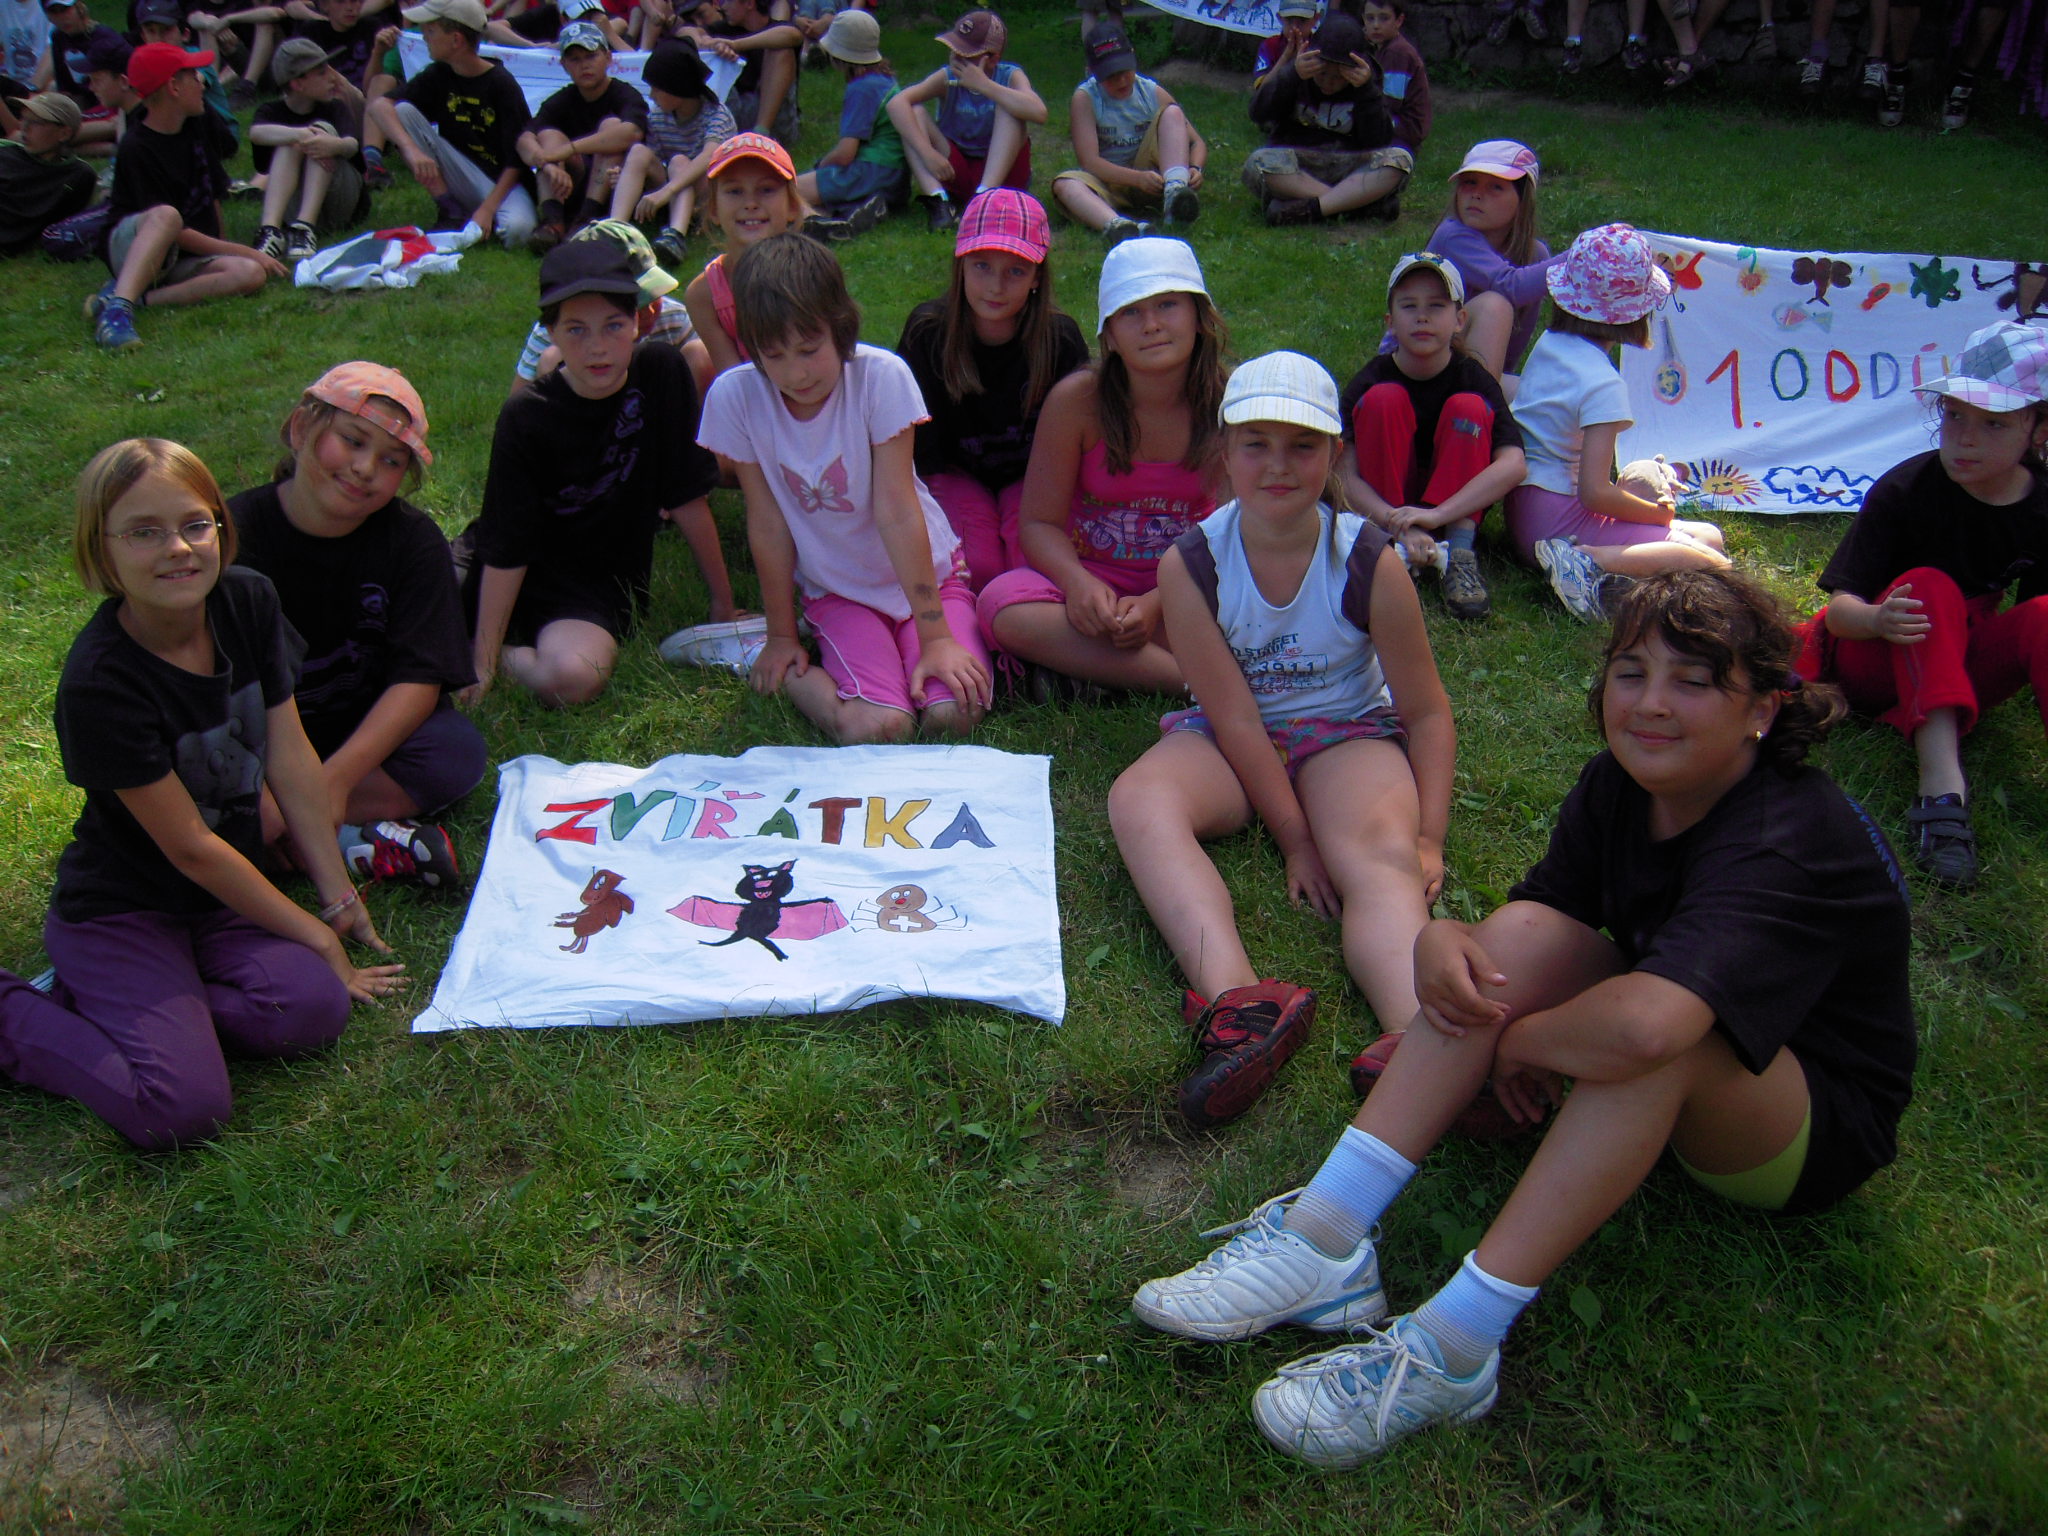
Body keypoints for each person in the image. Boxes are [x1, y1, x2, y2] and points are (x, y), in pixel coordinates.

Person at [1132, 568, 1915, 1467]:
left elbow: (1650, 1030)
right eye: (1631, 674)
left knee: (1657, 1045)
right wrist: (1442, 941)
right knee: (1514, 945)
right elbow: (1540, 922)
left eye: (1694, 682)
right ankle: (1325, 1238)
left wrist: (1525, 1041)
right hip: (1685, 1014)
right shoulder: (1620, 783)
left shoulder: (1785, 835)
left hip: (1807, 1121)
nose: (1652, 704)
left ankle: (1456, 1349)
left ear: (1763, 711)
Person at [0, 439, 407, 1150]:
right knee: (181, 1108)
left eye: (195, 524)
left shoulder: (246, 600)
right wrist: (316, 934)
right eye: (143, 532)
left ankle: (133, 1004)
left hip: (218, 905)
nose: (177, 548)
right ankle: (18, 1011)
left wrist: (337, 896)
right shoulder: (100, 684)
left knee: (311, 1010)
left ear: (220, 526)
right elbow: (190, 847)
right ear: (101, 551)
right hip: (123, 911)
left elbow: (291, 755)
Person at [1109, 351, 1455, 1130]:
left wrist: (1429, 835)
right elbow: (1233, 718)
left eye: (1302, 446)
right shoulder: (1191, 565)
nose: (1277, 465)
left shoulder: (1367, 559)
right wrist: (1295, 839)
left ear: (1334, 455)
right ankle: (1241, 1007)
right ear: (1224, 452)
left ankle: (1419, 1037)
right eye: (1256, 444)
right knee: (1139, 799)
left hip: (1345, 730)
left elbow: (1427, 713)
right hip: (1229, 737)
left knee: (1378, 856)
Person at [698, 232, 995, 742]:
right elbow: (766, 522)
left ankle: (922, 642)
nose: (796, 373)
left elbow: (897, 509)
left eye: (809, 349)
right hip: (838, 590)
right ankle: (764, 658)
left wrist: (935, 636)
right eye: (774, 355)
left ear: (840, 327)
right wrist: (781, 637)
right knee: (880, 725)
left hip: (928, 575)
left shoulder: (881, 378)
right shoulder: (736, 396)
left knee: (954, 712)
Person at [1791, 321, 2048, 890]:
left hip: (1959, 664)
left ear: (2039, 428)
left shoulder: (2041, 504)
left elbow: (2032, 621)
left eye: (1994, 423)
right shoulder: (1906, 489)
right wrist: (1879, 619)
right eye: (1954, 415)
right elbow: (1840, 613)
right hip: (1875, 658)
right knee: (1930, 587)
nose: (1965, 438)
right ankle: (1941, 794)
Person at [228, 363, 482, 895]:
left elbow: (420, 680)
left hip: (357, 738)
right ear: (302, 428)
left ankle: (298, 832)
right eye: (352, 440)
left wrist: (334, 782)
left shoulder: (413, 542)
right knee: (206, 785)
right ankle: (344, 839)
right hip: (260, 742)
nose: (366, 468)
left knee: (455, 752)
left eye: (391, 461)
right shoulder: (232, 539)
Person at [465, 240, 725, 706]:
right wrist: (481, 666)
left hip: (593, 584)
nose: (598, 347)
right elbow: (507, 543)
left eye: (613, 325)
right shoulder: (526, 414)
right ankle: (468, 647)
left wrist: (721, 601)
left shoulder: (660, 372)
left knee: (575, 677)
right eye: (576, 330)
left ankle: (476, 651)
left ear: (638, 322)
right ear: (551, 333)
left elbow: (685, 492)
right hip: (509, 564)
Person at [975, 236, 1227, 695]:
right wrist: (1078, 585)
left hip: (1191, 582)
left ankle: (1097, 669)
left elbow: (1236, 536)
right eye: (1130, 312)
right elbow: (1039, 523)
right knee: (1001, 606)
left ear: (1199, 315)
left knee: (1253, 613)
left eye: (1167, 305)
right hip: (1096, 579)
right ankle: (1191, 682)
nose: (1151, 325)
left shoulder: (1230, 403)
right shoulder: (1076, 401)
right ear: (1108, 334)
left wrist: (1157, 602)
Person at [1504, 223, 1728, 622]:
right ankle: (1588, 561)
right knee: (1712, 562)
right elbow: (1594, 493)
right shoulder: (1603, 383)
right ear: (1638, 311)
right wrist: (1657, 516)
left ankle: (1600, 565)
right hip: (1558, 524)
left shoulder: (1551, 344)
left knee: (1710, 535)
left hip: (1523, 510)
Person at [895, 188, 1089, 591]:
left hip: (1034, 476)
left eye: (1015, 271)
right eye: (982, 266)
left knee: (1032, 567)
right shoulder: (928, 334)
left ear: (1037, 277)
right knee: (976, 566)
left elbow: (1076, 438)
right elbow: (917, 440)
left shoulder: (1060, 340)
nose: (996, 286)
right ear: (961, 265)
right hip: (954, 471)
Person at [1341, 253, 1525, 622]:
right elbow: (1342, 474)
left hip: (1453, 510)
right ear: (1390, 322)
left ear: (1460, 320)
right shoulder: (1370, 380)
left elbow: (1514, 465)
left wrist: (1437, 514)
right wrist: (1396, 521)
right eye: (1409, 306)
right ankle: (1388, 547)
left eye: (1436, 306)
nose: (1422, 317)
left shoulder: (1473, 378)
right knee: (1382, 400)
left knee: (1469, 407)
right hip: (1388, 510)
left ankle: (1459, 552)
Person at [85, 40, 287, 352]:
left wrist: (231, 254)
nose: (202, 82)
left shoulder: (195, 125)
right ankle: (117, 315)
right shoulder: (137, 147)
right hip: (135, 246)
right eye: (193, 76)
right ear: (173, 87)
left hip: (179, 255)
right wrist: (246, 250)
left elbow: (212, 193)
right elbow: (174, 231)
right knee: (167, 216)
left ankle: (134, 298)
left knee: (249, 274)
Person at [370, 0, 538, 249]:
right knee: (403, 110)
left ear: (456, 40)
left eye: (431, 31)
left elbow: (517, 160)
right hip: (458, 170)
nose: (424, 37)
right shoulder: (438, 74)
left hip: (501, 181)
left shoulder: (501, 83)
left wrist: (488, 208)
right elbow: (379, 106)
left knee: (519, 232)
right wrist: (411, 150)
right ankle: (449, 209)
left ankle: (483, 216)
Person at [510, 217, 710, 408]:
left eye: (654, 294)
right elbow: (520, 400)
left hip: (661, 414)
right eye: (636, 302)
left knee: (700, 352)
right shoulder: (556, 331)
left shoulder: (672, 317)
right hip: (585, 420)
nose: (649, 310)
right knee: (551, 360)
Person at [1409, 140, 1557, 387]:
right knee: (1494, 304)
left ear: (1523, 200)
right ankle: (1478, 409)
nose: (1477, 194)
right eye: (1469, 182)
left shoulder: (1534, 255)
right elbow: (1511, 286)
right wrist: (1580, 256)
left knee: (1557, 400)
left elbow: (1514, 345)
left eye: (1496, 187)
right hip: (1416, 374)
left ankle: (1484, 403)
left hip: (1476, 377)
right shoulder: (1452, 236)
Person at [888, 8, 1045, 231]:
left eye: (966, 55)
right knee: (914, 113)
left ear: (993, 58)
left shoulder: (1010, 75)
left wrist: (985, 85)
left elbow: (1039, 112)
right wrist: (927, 153)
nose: (956, 58)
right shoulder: (948, 76)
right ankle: (939, 202)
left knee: (1011, 106)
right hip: (955, 168)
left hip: (1003, 175)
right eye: (954, 50)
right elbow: (896, 104)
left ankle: (984, 200)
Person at [1243, 10, 1403, 227]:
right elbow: (1258, 114)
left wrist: (1366, 91)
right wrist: (1292, 75)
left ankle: (1310, 208)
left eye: (1338, 77)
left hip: (1348, 164)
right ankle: (1357, 206)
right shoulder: (1299, 70)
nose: (1328, 82)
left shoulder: (1366, 80)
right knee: (1258, 162)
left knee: (1400, 160)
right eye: (1323, 74)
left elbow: (1378, 141)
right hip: (1298, 165)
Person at [1050, 20, 1205, 242]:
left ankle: (1175, 193)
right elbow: (1089, 161)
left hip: (1154, 181)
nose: (1121, 81)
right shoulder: (1085, 98)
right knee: (1064, 184)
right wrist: (1136, 179)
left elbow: (1197, 142)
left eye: (1125, 71)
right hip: (1108, 183)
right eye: (1110, 75)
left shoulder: (1150, 91)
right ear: (1091, 72)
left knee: (1172, 113)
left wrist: (1195, 168)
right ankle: (1118, 225)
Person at [682, 129, 805, 379]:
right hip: (748, 393)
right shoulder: (703, 294)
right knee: (694, 355)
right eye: (735, 191)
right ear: (713, 209)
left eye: (766, 190)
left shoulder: (810, 274)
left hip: (808, 383)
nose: (750, 203)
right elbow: (734, 380)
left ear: (792, 206)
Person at [517, 20, 646, 251]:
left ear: (608, 58)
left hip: (613, 185)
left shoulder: (625, 94)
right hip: (569, 186)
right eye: (575, 59)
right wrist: (546, 164)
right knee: (547, 136)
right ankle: (553, 222)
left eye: (591, 56)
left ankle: (588, 218)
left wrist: (569, 149)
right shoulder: (561, 99)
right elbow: (524, 140)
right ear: (564, 65)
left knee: (611, 126)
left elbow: (632, 132)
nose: (584, 65)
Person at [606, 37, 732, 268]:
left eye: (657, 88)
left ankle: (676, 235)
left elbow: (710, 156)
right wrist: (625, 176)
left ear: (677, 87)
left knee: (679, 161)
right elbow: (652, 159)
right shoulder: (658, 117)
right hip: (670, 193)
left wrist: (667, 191)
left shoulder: (717, 115)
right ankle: (615, 228)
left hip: (707, 192)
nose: (652, 95)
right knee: (639, 152)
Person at [250, 37, 369, 263]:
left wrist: (333, 145)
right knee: (293, 141)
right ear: (298, 84)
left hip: (339, 200)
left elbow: (352, 145)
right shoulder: (271, 111)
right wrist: (301, 135)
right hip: (292, 205)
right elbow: (256, 133)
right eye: (322, 73)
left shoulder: (335, 108)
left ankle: (305, 227)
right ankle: (271, 230)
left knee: (320, 130)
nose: (333, 77)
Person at [793, 7, 903, 233]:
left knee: (787, 191)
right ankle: (857, 209)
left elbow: (845, 154)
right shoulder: (884, 80)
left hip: (869, 172)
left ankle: (822, 223)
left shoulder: (860, 89)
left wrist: (821, 166)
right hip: (894, 177)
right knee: (811, 191)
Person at [0, 89, 95, 251]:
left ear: (64, 133)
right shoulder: (6, 153)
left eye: (35, 122)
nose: (24, 127)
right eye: (23, 119)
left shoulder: (79, 175)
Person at [37, 0, 123, 149]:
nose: (62, 17)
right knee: (51, 95)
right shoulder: (58, 37)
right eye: (54, 12)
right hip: (85, 103)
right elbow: (67, 89)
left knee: (52, 135)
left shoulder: (104, 39)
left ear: (79, 8)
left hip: (110, 105)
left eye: (65, 10)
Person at [1358, 0, 1429, 162]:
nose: (1376, 25)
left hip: (1405, 129)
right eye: (1370, 18)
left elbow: (1391, 102)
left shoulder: (1397, 53)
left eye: (1384, 18)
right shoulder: (1383, 48)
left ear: (1399, 20)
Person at [1251, 0, 1316, 88]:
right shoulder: (1269, 45)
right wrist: (1285, 57)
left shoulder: (1321, 46)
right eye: (1289, 20)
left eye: (1302, 20)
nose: (1295, 27)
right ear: (1279, 18)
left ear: (1316, 19)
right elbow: (1261, 88)